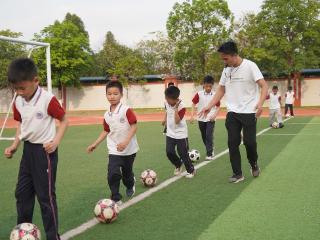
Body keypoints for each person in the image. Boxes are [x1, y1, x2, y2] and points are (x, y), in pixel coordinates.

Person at [4, 58, 68, 240]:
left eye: (22, 88)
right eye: (16, 88)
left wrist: (56, 141)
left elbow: (64, 120)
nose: (19, 92)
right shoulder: (18, 101)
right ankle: (23, 232)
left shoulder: (48, 100)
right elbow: (21, 125)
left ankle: (52, 236)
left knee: (45, 197)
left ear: (36, 81)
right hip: (27, 152)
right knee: (22, 193)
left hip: (45, 152)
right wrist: (15, 145)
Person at [199, 41, 268, 183]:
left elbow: (263, 85)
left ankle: (253, 163)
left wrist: (260, 104)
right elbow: (221, 89)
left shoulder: (250, 66)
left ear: (234, 55)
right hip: (232, 112)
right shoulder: (226, 70)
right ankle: (237, 173)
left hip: (249, 111)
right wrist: (210, 106)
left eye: (225, 58)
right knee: (232, 143)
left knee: (250, 143)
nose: (224, 61)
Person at [87, 81, 139, 205]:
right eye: (109, 94)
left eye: (115, 93)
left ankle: (130, 184)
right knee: (113, 173)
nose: (112, 96)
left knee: (127, 174)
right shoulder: (107, 114)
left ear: (121, 95)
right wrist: (95, 144)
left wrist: (126, 142)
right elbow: (106, 130)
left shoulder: (126, 110)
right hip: (114, 149)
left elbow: (134, 126)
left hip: (129, 149)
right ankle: (115, 197)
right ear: (106, 95)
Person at [164, 86, 196, 178]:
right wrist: (164, 120)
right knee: (169, 152)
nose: (166, 100)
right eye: (166, 97)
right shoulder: (166, 102)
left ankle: (191, 170)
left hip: (181, 133)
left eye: (168, 98)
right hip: (170, 132)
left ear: (175, 99)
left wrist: (176, 109)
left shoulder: (182, 106)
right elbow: (167, 111)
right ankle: (178, 164)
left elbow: (177, 121)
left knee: (183, 153)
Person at [190, 75, 221, 160]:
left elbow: (218, 107)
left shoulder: (215, 95)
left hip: (211, 118)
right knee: (204, 136)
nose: (208, 88)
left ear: (212, 85)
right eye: (206, 86)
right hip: (201, 119)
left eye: (210, 86)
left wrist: (214, 116)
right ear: (203, 85)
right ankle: (210, 148)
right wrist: (192, 116)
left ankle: (209, 154)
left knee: (208, 135)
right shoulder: (199, 94)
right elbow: (193, 104)